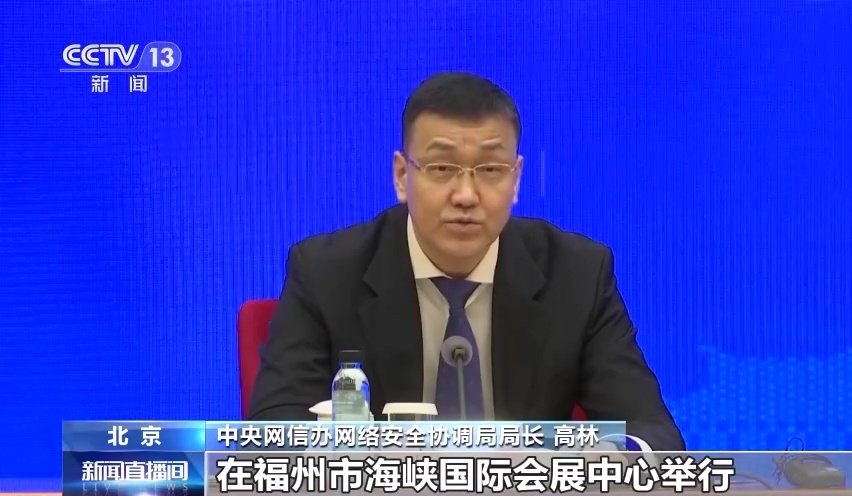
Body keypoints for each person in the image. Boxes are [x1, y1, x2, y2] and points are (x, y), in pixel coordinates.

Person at [247, 71, 685, 452]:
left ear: (516, 179)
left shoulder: (577, 274)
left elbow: (651, 431)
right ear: (402, 176)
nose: (466, 195)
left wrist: (612, 457)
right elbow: (272, 430)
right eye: (442, 169)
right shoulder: (326, 272)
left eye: (490, 170)